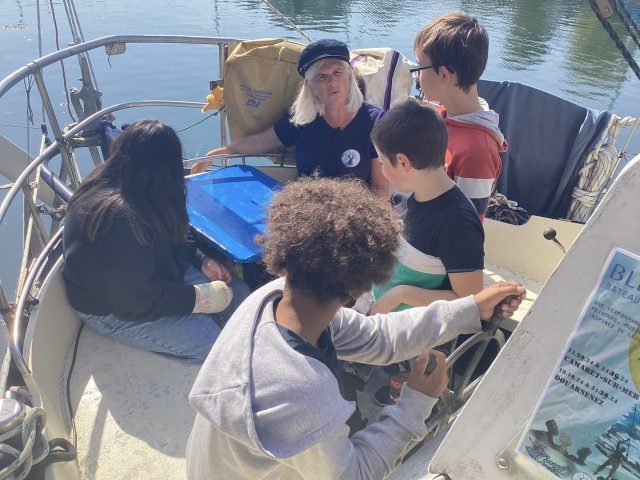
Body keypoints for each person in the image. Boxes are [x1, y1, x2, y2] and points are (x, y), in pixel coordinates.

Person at [186, 177, 525, 480]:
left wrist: (471, 308)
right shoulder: (302, 390)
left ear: (284, 258)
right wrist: (416, 403)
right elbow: (356, 474)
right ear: (361, 286)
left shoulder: (271, 298)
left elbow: (379, 338)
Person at [62, 119, 249, 364]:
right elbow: (135, 302)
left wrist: (201, 259)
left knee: (240, 297)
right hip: (113, 307)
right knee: (214, 348)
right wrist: (197, 299)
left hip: (153, 277)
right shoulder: (118, 221)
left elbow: (174, 234)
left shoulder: (139, 190)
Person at [363, 98, 484, 405]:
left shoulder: (457, 224)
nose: (382, 171)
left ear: (403, 162)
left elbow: (470, 302)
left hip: (420, 339)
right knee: (394, 380)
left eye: (383, 162)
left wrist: (400, 294)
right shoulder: (408, 198)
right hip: (391, 323)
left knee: (411, 401)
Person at [192, 39, 388, 198]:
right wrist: (215, 154)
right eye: (322, 77)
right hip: (306, 207)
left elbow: (380, 190)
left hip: (356, 212)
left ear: (349, 76)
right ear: (310, 87)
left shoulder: (375, 122)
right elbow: (261, 142)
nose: (332, 82)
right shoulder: (302, 119)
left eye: (338, 72)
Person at [413, 12, 508, 220]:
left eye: (419, 67)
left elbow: (466, 229)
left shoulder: (478, 152)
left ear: (444, 75)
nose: (417, 77)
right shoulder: (441, 114)